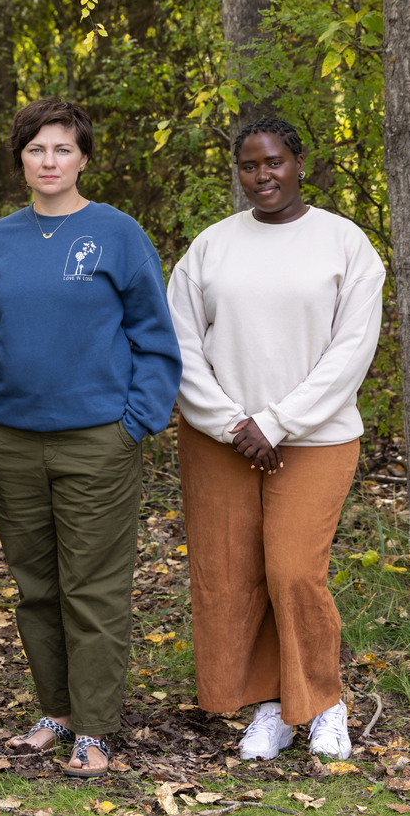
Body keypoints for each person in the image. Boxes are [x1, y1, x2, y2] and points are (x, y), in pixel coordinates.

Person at [0, 97, 182, 777]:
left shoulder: (115, 233)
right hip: (12, 441)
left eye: (62, 148)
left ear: (83, 157)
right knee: (37, 587)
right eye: (36, 149)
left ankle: (96, 727)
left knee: (93, 588)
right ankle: (55, 708)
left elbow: (154, 338)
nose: (48, 161)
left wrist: (135, 421)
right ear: (20, 159)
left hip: (98, 441)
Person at [167, 116, 385, 762]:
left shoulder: (345, 243)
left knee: (293, 570)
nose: (263, 175)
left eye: (275, 162)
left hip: (315, 438)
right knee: (234, 575)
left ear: (299, 161)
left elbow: (352, 350)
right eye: (249, 165)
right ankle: (273, 706)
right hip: (220, 438)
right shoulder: (212, 246)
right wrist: (235, 422)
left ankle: (322, 700)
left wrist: (278, 421)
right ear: (238, 171)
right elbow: (179, 343)